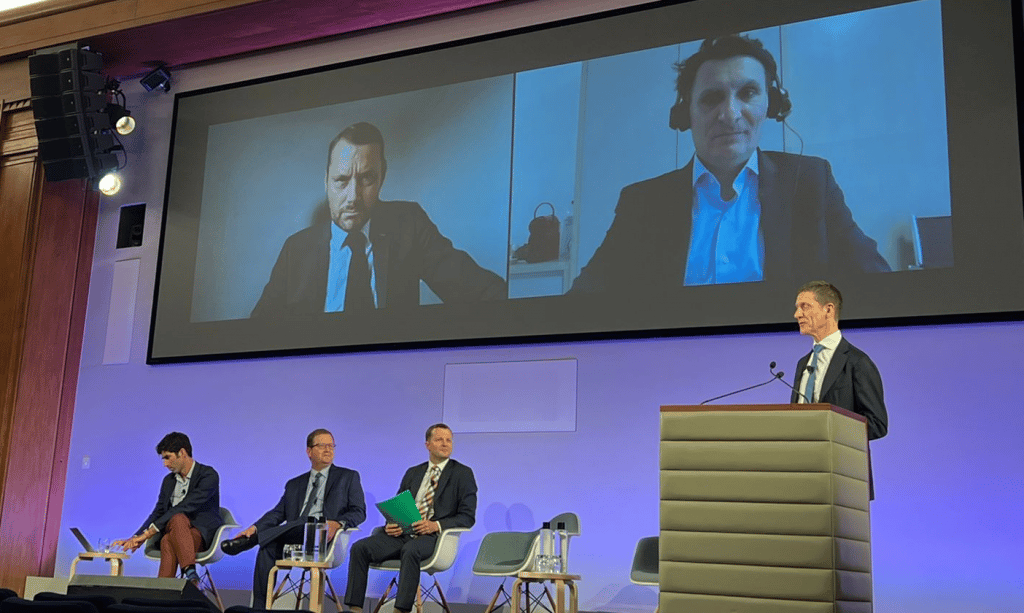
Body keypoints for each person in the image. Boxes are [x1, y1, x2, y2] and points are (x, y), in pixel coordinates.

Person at [570, 34, 890, 294]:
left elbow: (878, 287)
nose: (730, 114)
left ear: (771, 104)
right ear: (685, 113)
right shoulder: (641, 203)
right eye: (712, 98)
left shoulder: (812, 182)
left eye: (748, 93)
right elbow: (582, 303)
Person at [250, 122, 507, 317]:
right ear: (326, 182)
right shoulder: (295, 249)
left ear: (382, 177)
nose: (353, 197)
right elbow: (259, 332)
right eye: (341, 180)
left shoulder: (409, 225)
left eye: (367, 179)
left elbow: (482, 291)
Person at [219, 428, 366, 607]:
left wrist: (337, 523)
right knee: (268, 547)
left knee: (308, 521)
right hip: (294, 538)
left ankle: (252, 541)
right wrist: (254, 527)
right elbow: (277, 513)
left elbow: (359, 511)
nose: (328, 450)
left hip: (324, 539)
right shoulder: (294, 484)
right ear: (309, 451)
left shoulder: (348, 477)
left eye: (331, 445)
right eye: (322, 445)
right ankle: (259, 608)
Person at [344, 423, 477, 613]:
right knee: (359, 548)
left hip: (433, 538)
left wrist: (436, 525)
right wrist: (392, 523)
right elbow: (399, 506)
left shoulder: (462, 473)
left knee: (411, 550)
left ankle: (401, 610)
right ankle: (355, 609)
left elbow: (467, 516)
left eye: (449, 440)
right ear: (427, 444)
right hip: (403, 533)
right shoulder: (413, 472)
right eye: (439, 439)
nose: (445, 444)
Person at [113, 432, 223, 583]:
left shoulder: (208, 475)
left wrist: (148, 534)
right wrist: (136, 537)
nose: (165, 464)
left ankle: (162, 591)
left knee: (176, 521)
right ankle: (190, 574)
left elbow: (186, 506)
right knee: (168, 538)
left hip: (201, 537)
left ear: (182, 453)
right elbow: (158, 512)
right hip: (176, 536)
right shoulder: (168, 481)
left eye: (167, 457)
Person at [791, 280, 888, 440]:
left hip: (837, 453)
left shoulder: (857, 362)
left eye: (805, 306)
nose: (797, 314)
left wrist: (831, 429)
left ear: (828, 310)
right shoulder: (803, 363)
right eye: (797, 308)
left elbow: (877, 424)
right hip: (803, 454)